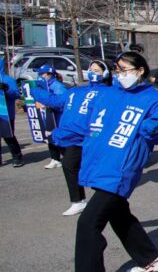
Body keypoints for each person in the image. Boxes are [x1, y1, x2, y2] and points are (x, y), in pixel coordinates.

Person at [52, 51, 158, 272]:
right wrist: (61, 135)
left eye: (125, 69)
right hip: (100, 162)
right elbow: (86, 124)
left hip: (122, 167)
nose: (120, 73)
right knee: (119, 215)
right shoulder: (108, 95)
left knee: (88, 223)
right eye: (117, 69)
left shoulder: (155, 100)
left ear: (140, 70)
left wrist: (153, 129)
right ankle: (152, 258)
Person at [32, 60, 112, 216]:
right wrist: (35, 90)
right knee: (70, 165)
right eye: (91, 69)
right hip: (70, 137)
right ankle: (78, 201)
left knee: (94, 170)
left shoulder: (110, 93)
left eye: (97, 70)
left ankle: (106, 202)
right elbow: (55, 102)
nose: (93, 73)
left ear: (106, 73)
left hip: (92, 138)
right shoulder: (76, 91)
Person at [34, 64, 67, 169]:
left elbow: (63, 103)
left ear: (49, 74)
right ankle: (55, 159)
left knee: (58, 138)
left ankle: (68, 159)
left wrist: (51, 105)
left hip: (58, 117)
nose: (40, 75)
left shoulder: (58, 86)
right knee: (49, 136)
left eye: (42, 73)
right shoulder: (43, 86)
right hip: (47, 116)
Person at [0, 57, 23, 167]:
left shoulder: (8, 80)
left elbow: (16, 95)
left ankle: (17, 156)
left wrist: (6, 89)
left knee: (9, 136)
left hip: (6, 113)